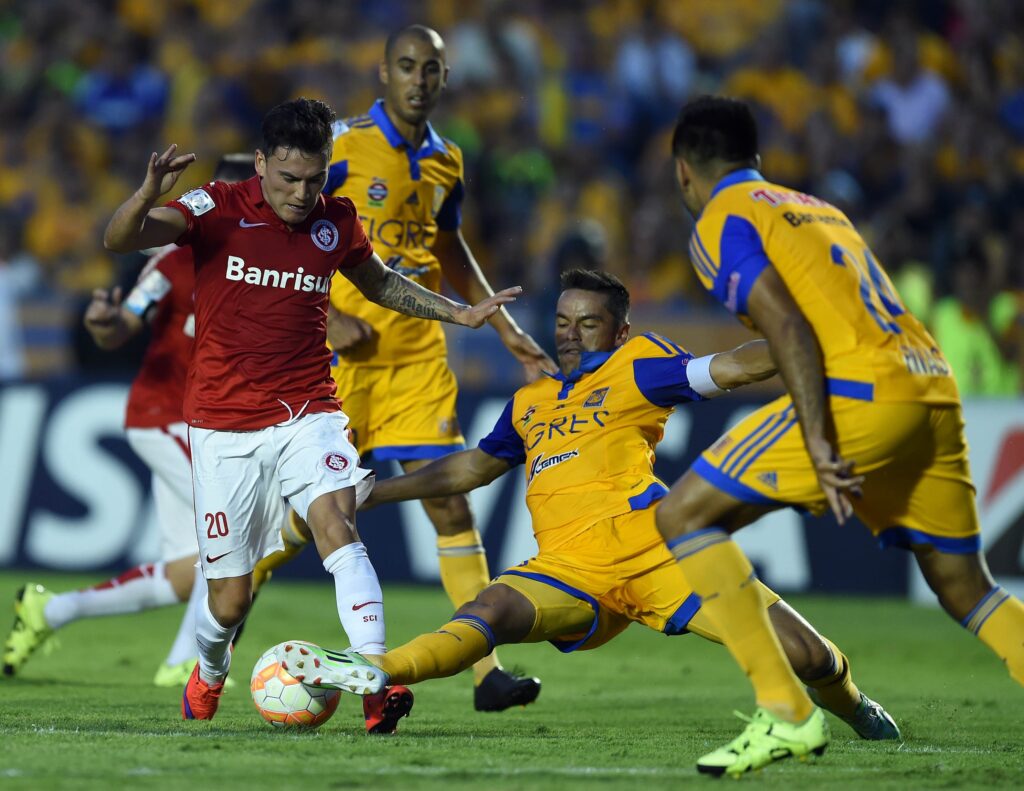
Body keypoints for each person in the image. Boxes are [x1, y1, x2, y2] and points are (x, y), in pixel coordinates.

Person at [263, 269, 899, 748]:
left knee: (810, 660)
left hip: (661, 554)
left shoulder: (639, 365)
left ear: (617, 330)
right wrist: (374, 492)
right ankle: (375, 668)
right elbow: (475, 467)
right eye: (562, 322)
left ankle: (858, 707)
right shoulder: (530, 402)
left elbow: (729, 369)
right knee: (490, 608)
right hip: (569, 569)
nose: (569, 334)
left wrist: (805, 345)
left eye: (586, 323)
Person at [101, 97, 520, 733]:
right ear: (262, 163)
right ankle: (210, 669)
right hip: (222, 424)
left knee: (337, 522)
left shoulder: (336, 220)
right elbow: (119, 238)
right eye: (287, 179)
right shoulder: (215, 208)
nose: (301, 193)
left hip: (308, 409)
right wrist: (146, 193)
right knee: (230, 598)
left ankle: (375, 684)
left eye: (314, 179)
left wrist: (455, 312)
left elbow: (380, 284)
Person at [648, 95, 1024, 776]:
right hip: (930, 383)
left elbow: (787, 327)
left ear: (683, 172)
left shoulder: (719, 220)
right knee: (966, 584)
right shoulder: (817, 208)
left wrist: (819, 438)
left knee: (681, 514)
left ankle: (787, 712)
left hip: (859, 393)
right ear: (756, 158)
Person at [252, 24, 554, 713]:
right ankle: (231, 611)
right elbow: (272, 215)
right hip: (337, 362)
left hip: (418, 355)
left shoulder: (448, 159)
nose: (419, 80)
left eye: (432, 69)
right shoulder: (344, 146)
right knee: (311, 509)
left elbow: (449, 247)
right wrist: (325, 315)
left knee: (448, 499)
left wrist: (505, 327)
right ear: (383, 72)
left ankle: (487, 671)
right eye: (407, 66)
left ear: (445, 80)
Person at [2, 155, 257, 687]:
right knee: (240, 531)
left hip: (206, 422)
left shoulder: (267, 266)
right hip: (167, 415)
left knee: (188, 573)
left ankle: (51, 612)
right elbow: (124, 323)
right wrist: (105, 323)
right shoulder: (173, 263)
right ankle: (188, 661)